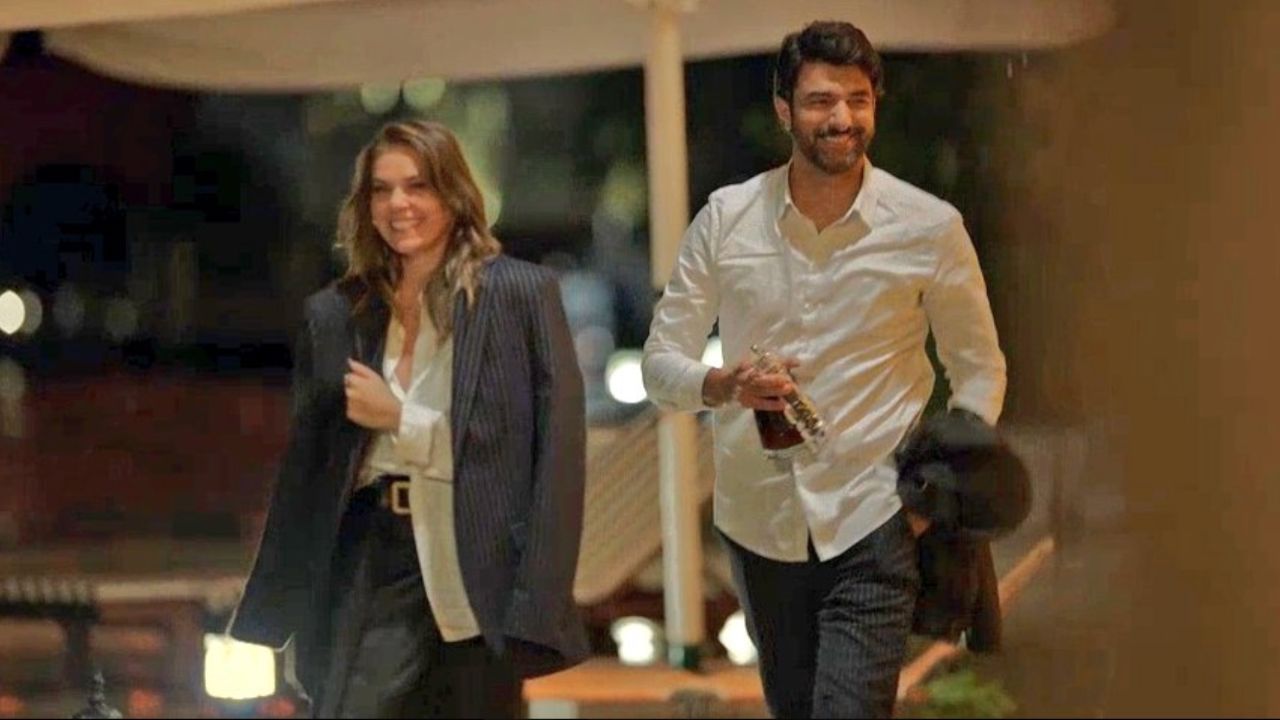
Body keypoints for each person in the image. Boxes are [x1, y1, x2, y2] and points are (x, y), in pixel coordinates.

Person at [642, 20, 1007, 718]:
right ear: (784, 109)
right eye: (819, 101)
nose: (841, 118)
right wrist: (724, 384)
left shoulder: (929, 227)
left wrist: (931, 494)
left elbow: (980, 369)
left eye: (857, 100)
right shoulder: (726, 218)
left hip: (877, 517)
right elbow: (661, 364)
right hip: (758, 523)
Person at [226, 119, 589, 718]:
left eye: (417, 185)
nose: (399, 204)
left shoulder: (519, 296)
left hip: (479, 564)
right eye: (382, 189)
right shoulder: (337, 313)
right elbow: (306, 475)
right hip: (371, 555)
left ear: (453, 194)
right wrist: (289, 608)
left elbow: (545, 455)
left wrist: (399, 417)